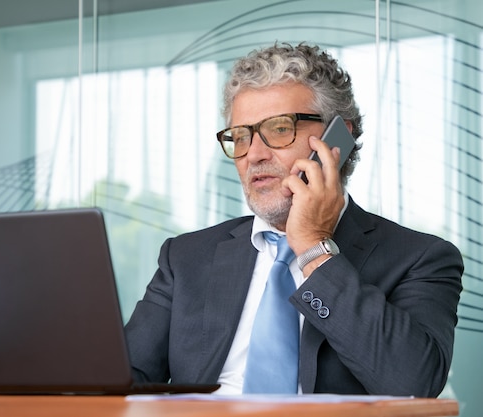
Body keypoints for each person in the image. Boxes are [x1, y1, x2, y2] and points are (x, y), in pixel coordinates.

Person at [124, 42, 463, 397]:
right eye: (240, 136)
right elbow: (122, 378)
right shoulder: (185, 256)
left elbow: (414, 384)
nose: (253, 154)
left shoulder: (421, 257)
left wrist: (314, 248)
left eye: (280, 129)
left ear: (338, 139)